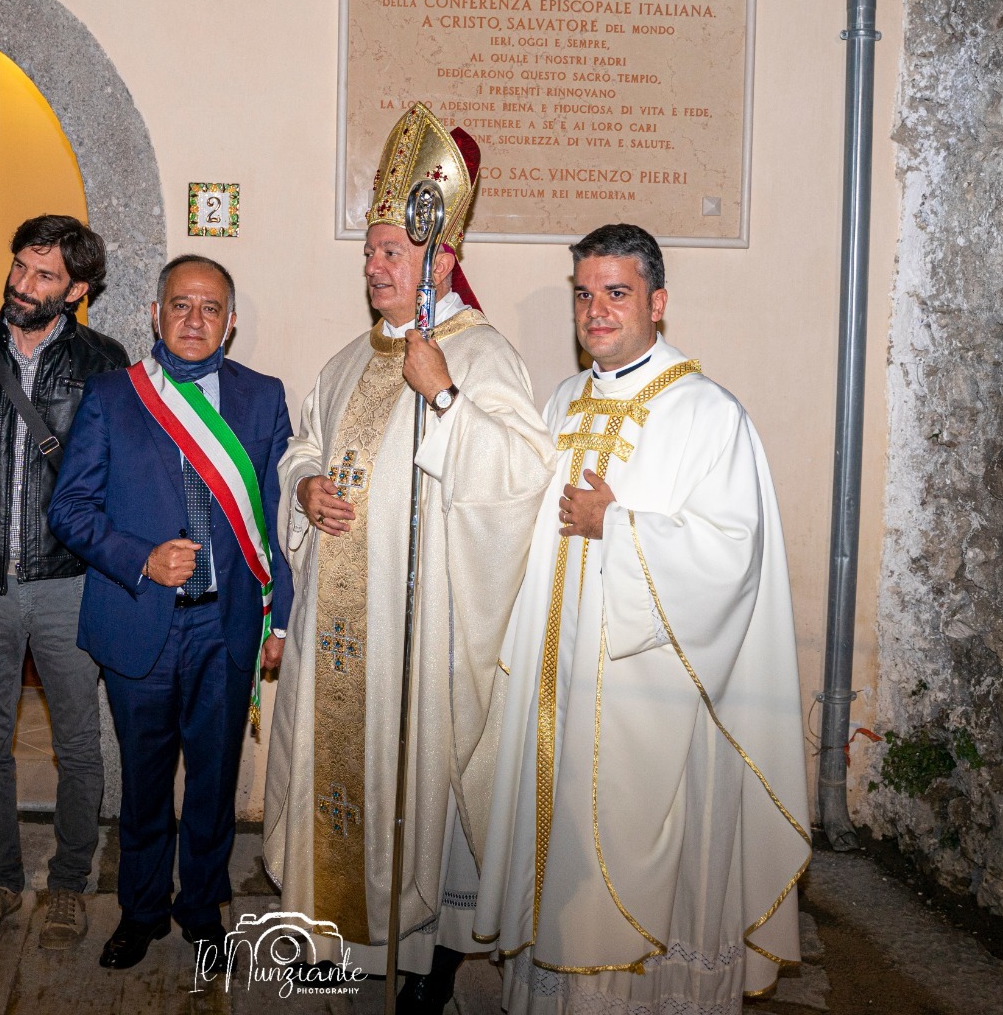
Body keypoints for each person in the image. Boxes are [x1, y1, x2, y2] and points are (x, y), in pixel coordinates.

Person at [476, 224, 813, 1012]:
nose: (596, 311)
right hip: (557, 682)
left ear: (657, 304)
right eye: (584, 295)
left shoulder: (707, 413)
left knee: (637, 864)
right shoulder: (563, 401)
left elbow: (733, 555)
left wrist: (618, 527)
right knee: (555, 851)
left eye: (617, 293)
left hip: (651, 694)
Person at [262, 102, 553, 1011]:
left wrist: (448, 400)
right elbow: (304, 446)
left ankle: (427, 957)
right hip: (340, 636)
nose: (373, 265)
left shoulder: (481, 355)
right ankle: (334, 937)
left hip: (418, 639)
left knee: (420, 781)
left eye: (391, 250)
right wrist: (305, 488)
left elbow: (521, 479)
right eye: (369, 251)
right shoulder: (348, 360)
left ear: (442, 259)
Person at [49, 254, 294, 973]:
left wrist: (279, 619)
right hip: (141, 619)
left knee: (214, 782)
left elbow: (279, 519)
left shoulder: (263, 397)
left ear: (231, 321)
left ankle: (203, 910)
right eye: (180, 305)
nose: (194, 319)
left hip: (227, 624)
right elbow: (70, 508)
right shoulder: (113, 395)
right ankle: (142, 910)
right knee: (146, 780)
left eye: (210, 308)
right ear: (154, 315)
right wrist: (141, 558)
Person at [0, 215, 127, 949]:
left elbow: (116, 482)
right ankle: (0, 882)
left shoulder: (105, 364)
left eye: (44, 276)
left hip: (70, 583)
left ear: (76, 291)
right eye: (19, 267)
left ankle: (68, 884)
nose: (22, 284)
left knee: (78, 745)